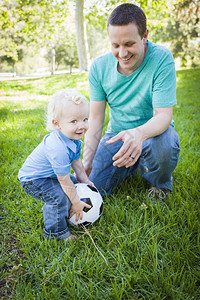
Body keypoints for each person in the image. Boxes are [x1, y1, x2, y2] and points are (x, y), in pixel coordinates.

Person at [82, 3, 180, 199]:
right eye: (115, 45)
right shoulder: (99, 68)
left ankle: (159, 185)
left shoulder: (161, 59)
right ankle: (133, 164)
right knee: (93, 186)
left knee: (165, 142)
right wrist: (87, 159)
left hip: (154, 135)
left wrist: (139, 134)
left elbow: (164, 116)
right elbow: (95, 119)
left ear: (145, 36)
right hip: (117, 136)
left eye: (129, 44)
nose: (122, 53)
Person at [18, 88, 94, 241]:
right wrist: (76, 201)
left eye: (85, 119)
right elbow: (64, 181)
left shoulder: (74, 138)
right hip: (33, 179)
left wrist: (85, 180)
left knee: (74, 184)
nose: (82, 126)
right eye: (74, 121)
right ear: (57, 124)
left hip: (49, 175)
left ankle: (63, 214)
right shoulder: (57, 148)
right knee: (58, 197)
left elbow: (76, 161)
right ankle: (56, 233)